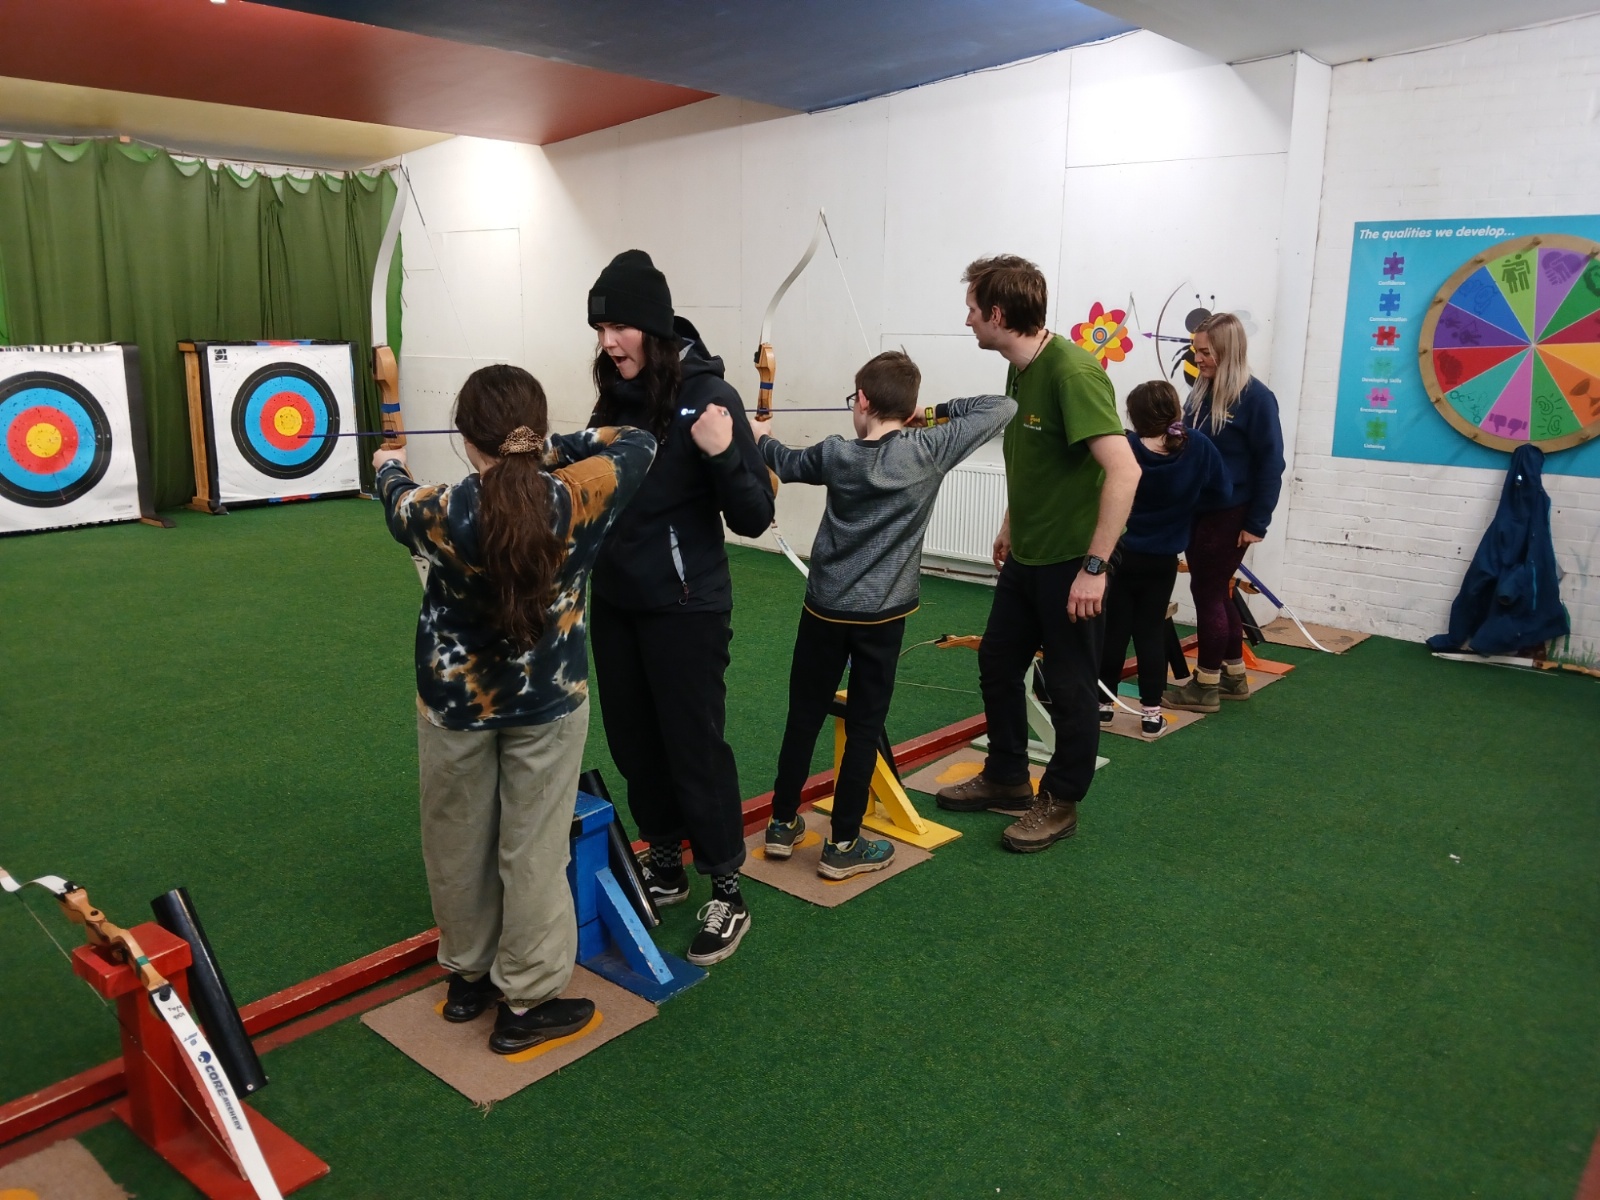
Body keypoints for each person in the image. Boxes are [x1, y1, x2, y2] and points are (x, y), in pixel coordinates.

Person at [374, 365, 655, 1054]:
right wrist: (547, 448)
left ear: (467, 437)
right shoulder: (580, 492)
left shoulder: (436, 510)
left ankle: (468, 978)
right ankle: (525, 1001)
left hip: (454, 705)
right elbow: (638, 441)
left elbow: (394, 492)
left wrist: (387, 463)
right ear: (534, 431)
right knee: (532, 850)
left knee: (456, 839)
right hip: (548, 702)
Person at [584, 250, 776, 967]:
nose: (608, 342)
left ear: (654, 327)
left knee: (693, 748)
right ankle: (665, 860)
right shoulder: (613, 396)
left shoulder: (710, 395)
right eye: (600, 328)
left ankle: (727, 887)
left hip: (687, 606)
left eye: (620, 327)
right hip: (618, 602)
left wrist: (724, 453)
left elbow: (754, 516)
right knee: (635, 744)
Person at [755, 352, 1015, 876]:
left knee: (804, 713)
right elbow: (1002, 406)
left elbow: (783, 460)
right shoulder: (930, 449)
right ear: (909, 408)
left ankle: (782, 823)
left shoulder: (835, 453)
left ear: (863, 401)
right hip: (882, 618)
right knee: (865, 726)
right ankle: (842, 845)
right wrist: (932, 414)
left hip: (825, 610)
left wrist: (759, 435)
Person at [934, 255, 1141, 854]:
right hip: (1028, 555)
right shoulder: (1019, 368)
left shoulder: (1072, 373)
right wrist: (1009, 523)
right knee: (998, 662)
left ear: (998, 315)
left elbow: (1125, 472)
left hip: (1074, 562)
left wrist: (1094, 569)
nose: (968, 320)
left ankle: (1061, 801)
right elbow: (1036, 458)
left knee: (1070, 688)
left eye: (973, 309)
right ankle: (1006, 776)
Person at [1162, 313, 1285, 713]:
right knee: (1215, 591)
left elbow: (1271, 463)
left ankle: (1205, 685)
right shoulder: (1201, 390)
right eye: (1196, 351)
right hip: (1200, 508)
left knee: (1208, 592)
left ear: (1228, 351)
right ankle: (1233, 676)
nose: (1197, 359)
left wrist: (1257, 522)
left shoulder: (1257, 398)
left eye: (1205, 352)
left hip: (1231, 512)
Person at [1096, 380, 1229, 738]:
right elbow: (1222, 493)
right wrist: (1187, 505)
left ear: (1133, 415)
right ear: (1175, 410)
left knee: (1114, 629)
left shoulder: (1124, 446)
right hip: (1163, 557)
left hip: (1122, 554)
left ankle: (1103, 707)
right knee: (1151, 632)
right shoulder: (1197, 446)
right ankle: (1151, 714)